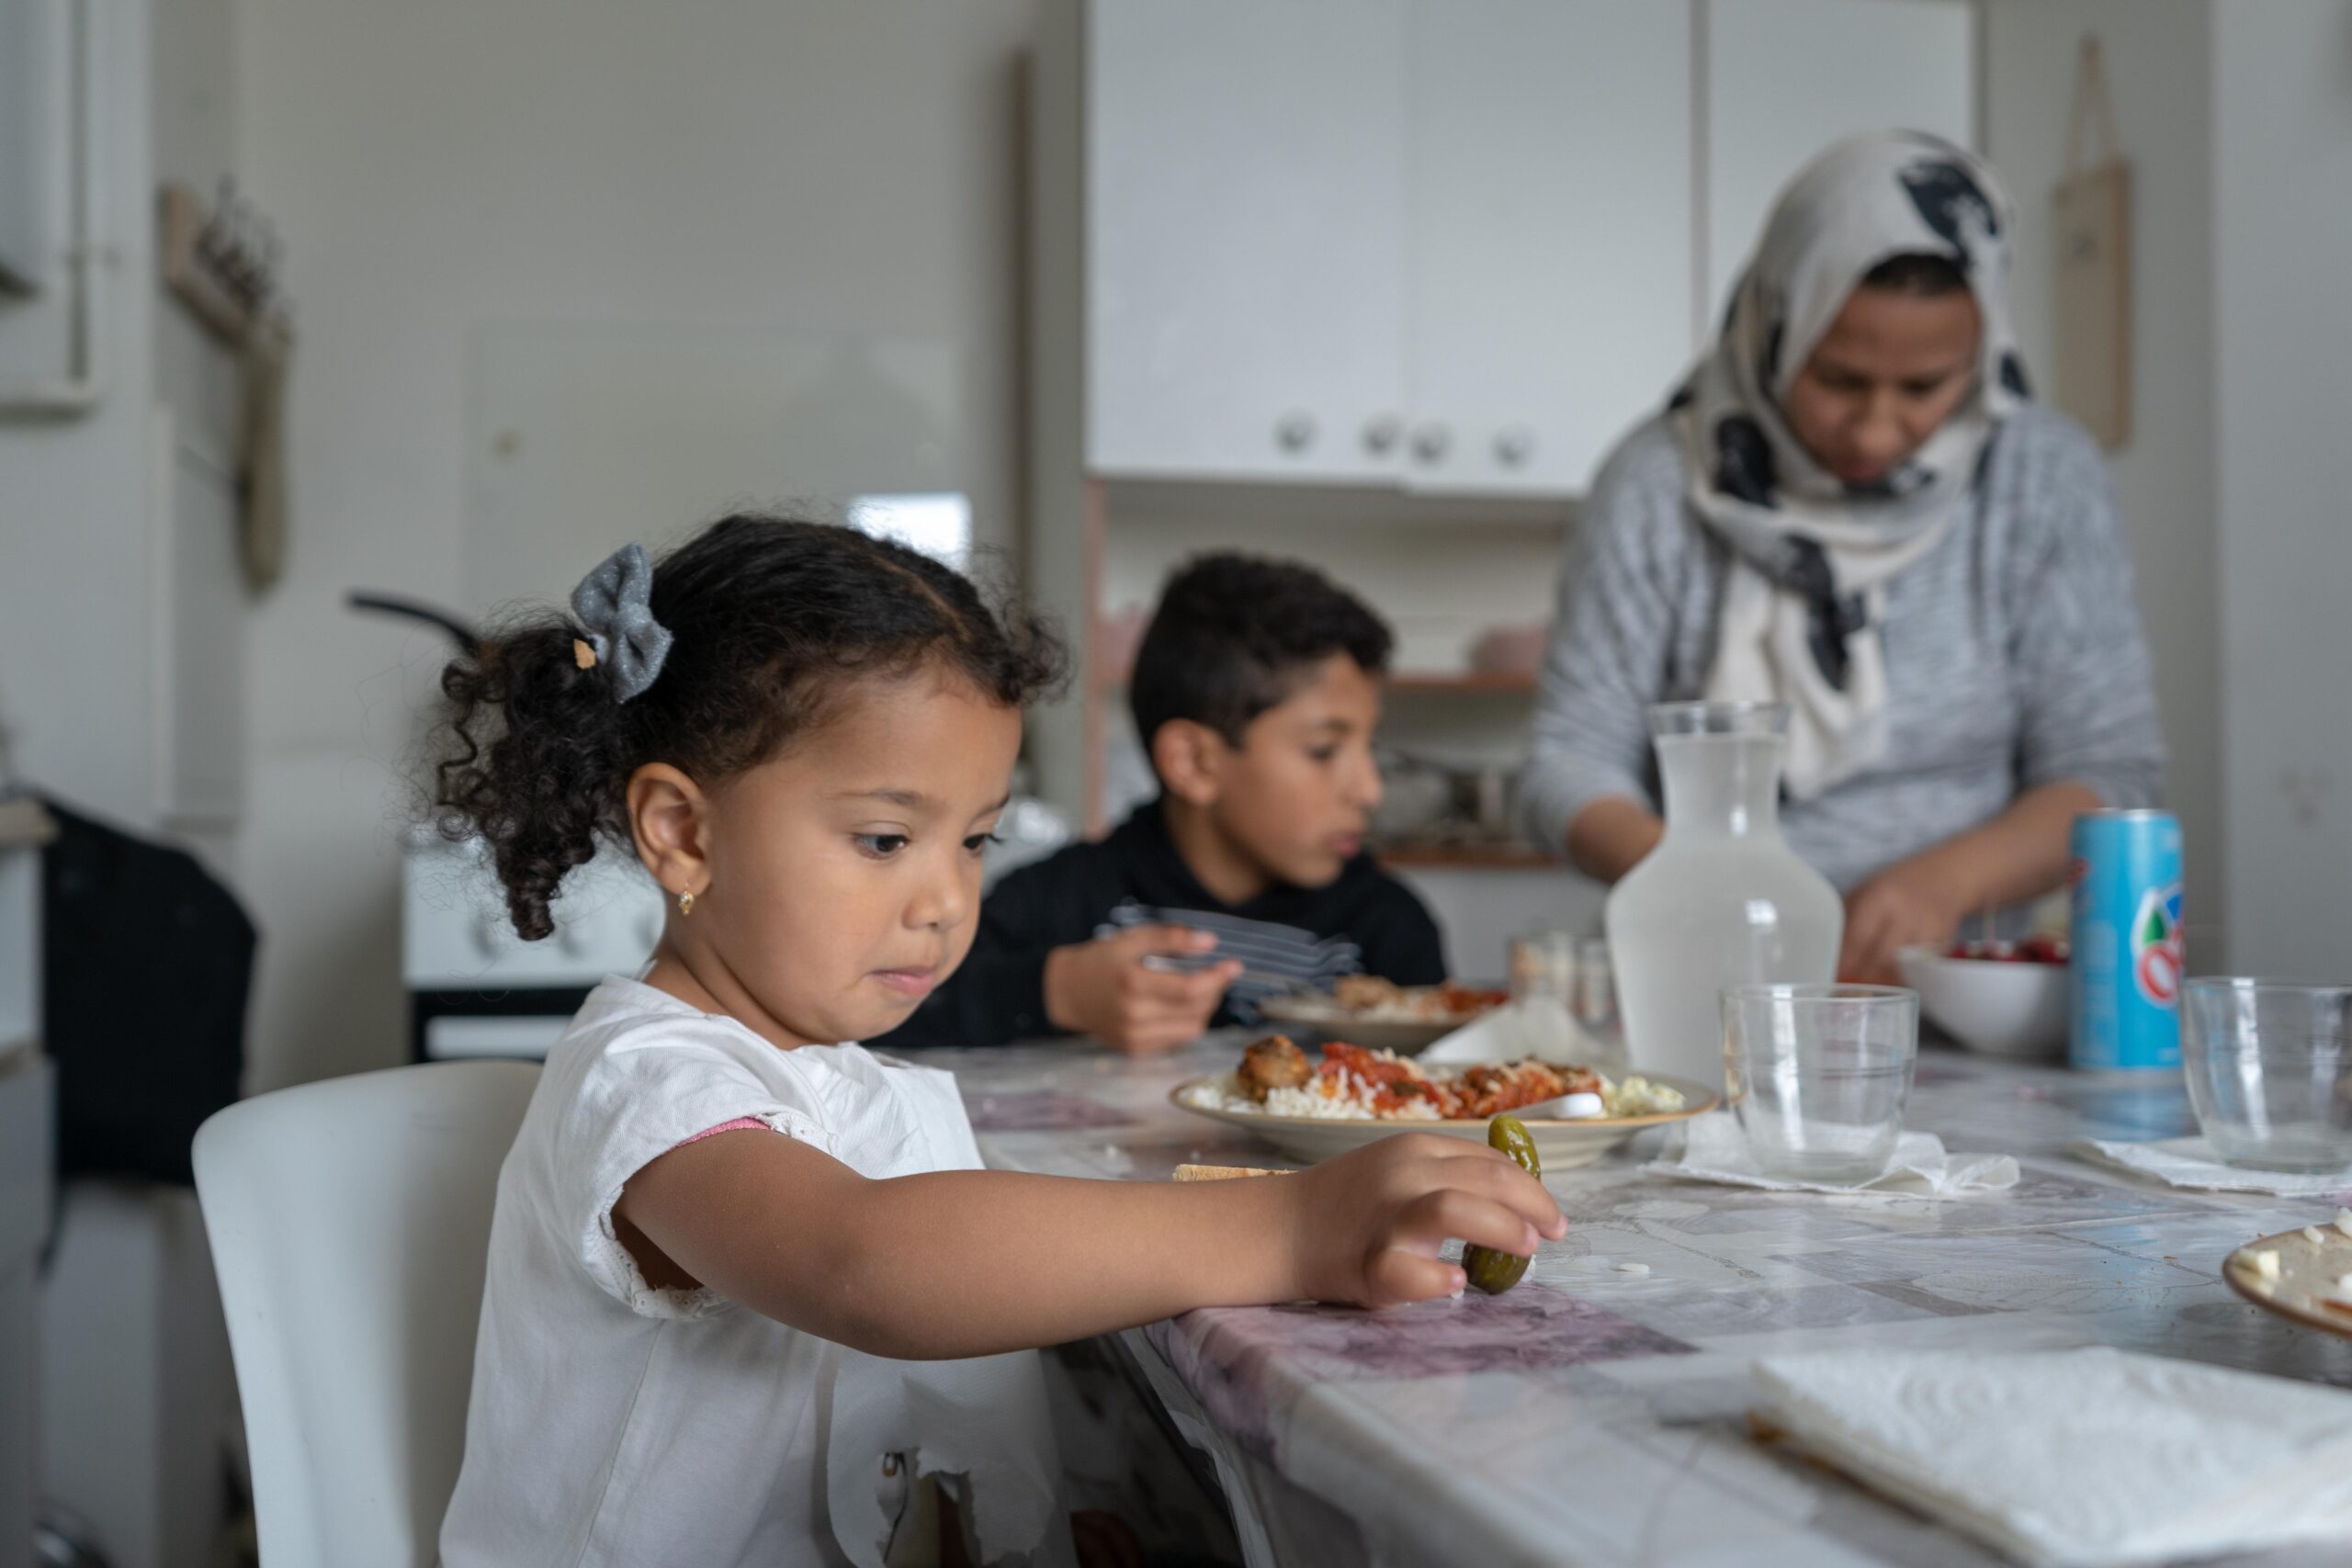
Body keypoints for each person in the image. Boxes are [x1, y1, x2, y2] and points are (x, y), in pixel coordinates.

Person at [432, 518, 1560, 1568]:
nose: (944, 900)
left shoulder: (827, 1068)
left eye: (974, 838)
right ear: (682, 832)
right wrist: (1294, 1224)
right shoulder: (645, 1079)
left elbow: (878, 1411)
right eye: (884, 838)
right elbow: (865, 1265)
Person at [1517, 130, 2165, 984]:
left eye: (1925, 387)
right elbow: (1566, 762)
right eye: (1838, 379)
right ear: (1772, 328)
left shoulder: (2041, 479)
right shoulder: (1656, 483)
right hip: (1698, 989)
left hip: (1954, 989)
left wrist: (1945, 882)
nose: (1874, 430)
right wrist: (1714, 891)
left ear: (1981, 352)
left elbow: (2108, 772)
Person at [878, 552, 1446, 1055]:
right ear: (1195, 762)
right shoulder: (1067, 899)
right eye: (1324, 751)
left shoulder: (1387, 928)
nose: (1370, 789)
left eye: (1369, 748)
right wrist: (1056, 993)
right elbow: (874, 1012)